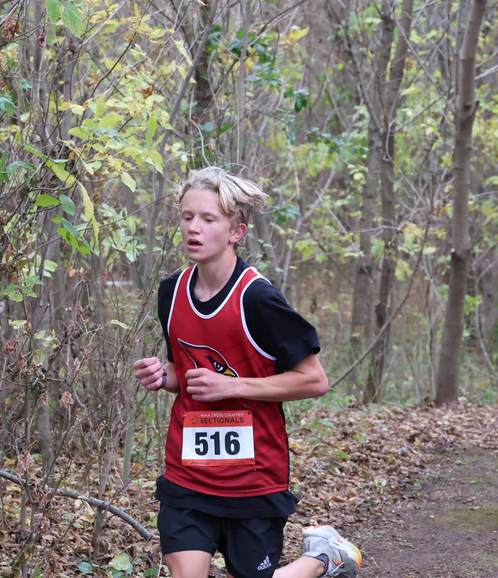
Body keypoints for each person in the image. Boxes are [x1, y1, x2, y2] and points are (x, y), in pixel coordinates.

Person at [133, 167, 362, 578]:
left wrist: (232, 386)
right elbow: (183, 372)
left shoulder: (257, 298)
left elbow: (314, 380)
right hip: (189, 474)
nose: (193, 228)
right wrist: (161, 375)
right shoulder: (171, 292)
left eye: (208, 219)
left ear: (236, 231)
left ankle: (323, 558)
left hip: (254, 478)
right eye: (187, 217)